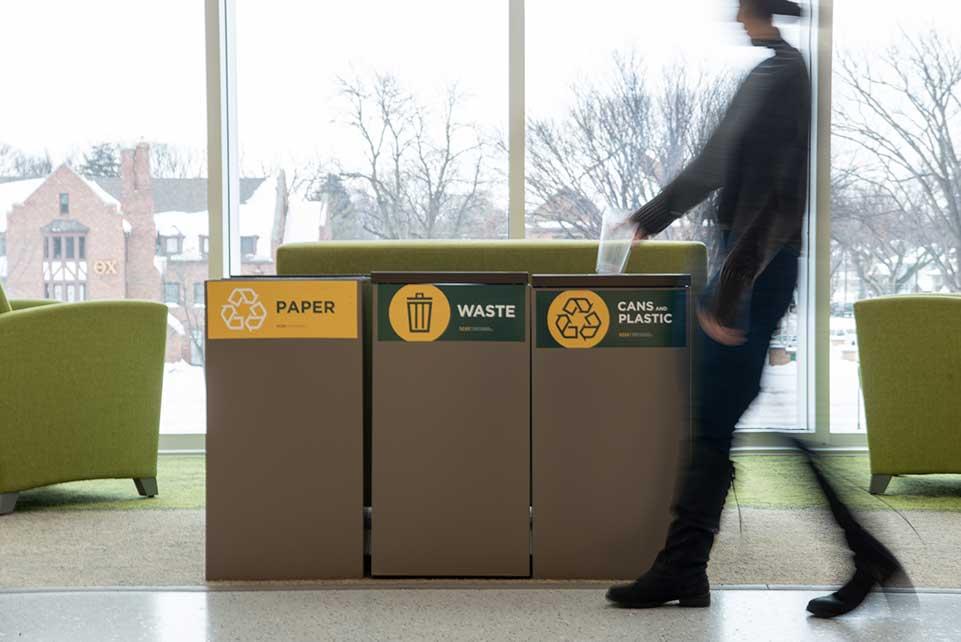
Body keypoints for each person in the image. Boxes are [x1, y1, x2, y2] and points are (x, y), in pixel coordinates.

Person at [605, 0, 908, 618]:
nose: (735, 18)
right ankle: (858, 555)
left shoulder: (781, 77)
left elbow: (767, 194)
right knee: (728, 419)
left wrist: (730, 288)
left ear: (760, 8)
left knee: (715, 421)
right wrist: (651, 220)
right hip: (751, 266)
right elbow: (720, 162)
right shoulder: (775, 72)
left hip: (757, 269)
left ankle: (686, 568)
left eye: (741, 8)